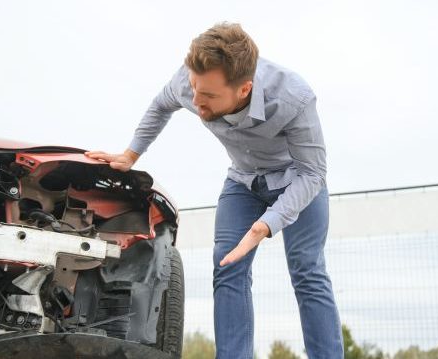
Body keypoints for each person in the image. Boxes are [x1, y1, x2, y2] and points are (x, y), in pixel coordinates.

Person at [85, 22, 343, 359]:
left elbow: (312, 172)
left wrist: (266, 224)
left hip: (297, 181)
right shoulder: (192, 80)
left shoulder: (294, 97)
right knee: (226, 265)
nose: (195, 100)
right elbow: (162, 104)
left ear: (244, 89)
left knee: (307, 270)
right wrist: (131, 153)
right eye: (194, 88)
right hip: (244, 181)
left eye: (207, 96)